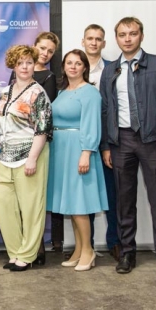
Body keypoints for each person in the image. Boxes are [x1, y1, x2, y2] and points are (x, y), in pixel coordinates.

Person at [100, 17, 156, 278]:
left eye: (132, 33)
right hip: (120, 141)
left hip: (152, 141)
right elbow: (105, 110)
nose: (127, 39)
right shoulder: (110, 70)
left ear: (141, 36)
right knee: (124, 201)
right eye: (122, 34)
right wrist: (106, 145)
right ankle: (127, 253)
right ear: (116, 38)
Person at [0, 45, 53, 271]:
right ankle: (15, 251)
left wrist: (32, 158)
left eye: (29, 62)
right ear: (13, 65)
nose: (25, 67)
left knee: (31, 207)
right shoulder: (6, 91)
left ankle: (27, 255)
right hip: (4, 155)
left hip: (30, 154)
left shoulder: (38, 93)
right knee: (2, 202)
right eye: (20, 63)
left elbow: (42, 129)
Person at [47, 49, 108, 272]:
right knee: (72, 205)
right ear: (63, 67)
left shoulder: (90, 92)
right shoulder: (63, 92)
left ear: (84, 67)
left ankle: (88, 251)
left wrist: (86, 152)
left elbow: (92, 124)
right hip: (60, 150)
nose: (73, 67)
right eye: (69, 63)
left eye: (78, 63)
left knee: (80, 203)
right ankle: (79, 249)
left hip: (78, 150)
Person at [81, 24, 121, 261]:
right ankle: (86, 246)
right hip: (81, 142)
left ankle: (115, 242)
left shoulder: (114, 70)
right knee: (84, 195)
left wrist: (107, 143)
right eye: (90, 38)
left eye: (98, 39)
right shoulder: (74, 69)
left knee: (112, 195)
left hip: (108, 141)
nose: (94, 42)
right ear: (83, 41)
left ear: (104, 43)